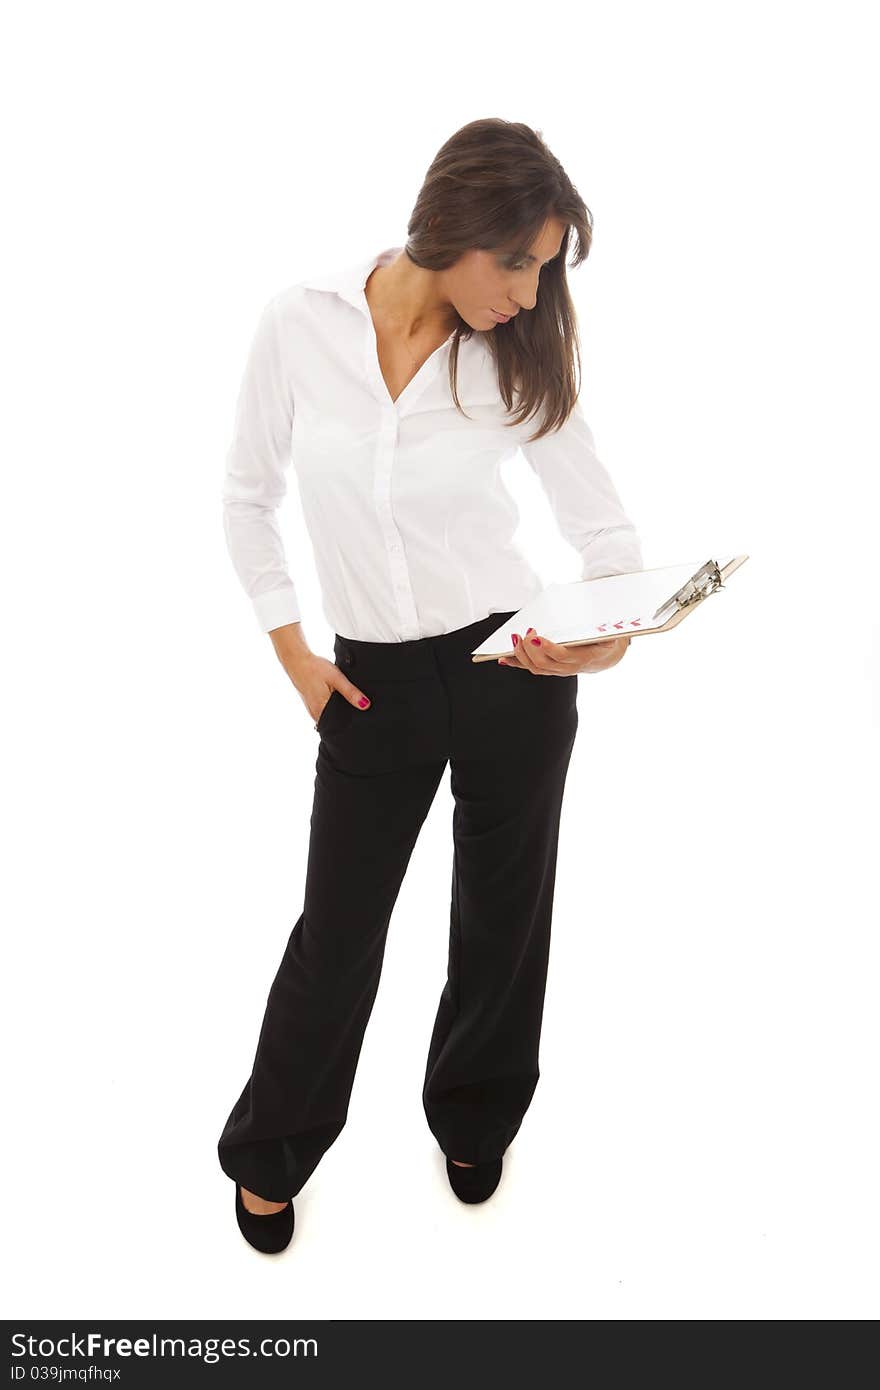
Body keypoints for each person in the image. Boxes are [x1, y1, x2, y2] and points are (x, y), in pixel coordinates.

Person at [217, 117, 642, 1254]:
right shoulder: (300, 323)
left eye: (544, 268)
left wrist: (600, 641)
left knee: (504, 917)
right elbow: (245, 496)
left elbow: (604, 536)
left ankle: (475, 1113)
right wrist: (293, 653)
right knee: (340, 929)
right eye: (518, 261)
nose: (527, 290)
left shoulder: (515, 355)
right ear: (457, 223)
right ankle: (272, 1149)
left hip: (512, 666)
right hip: (369, 685)